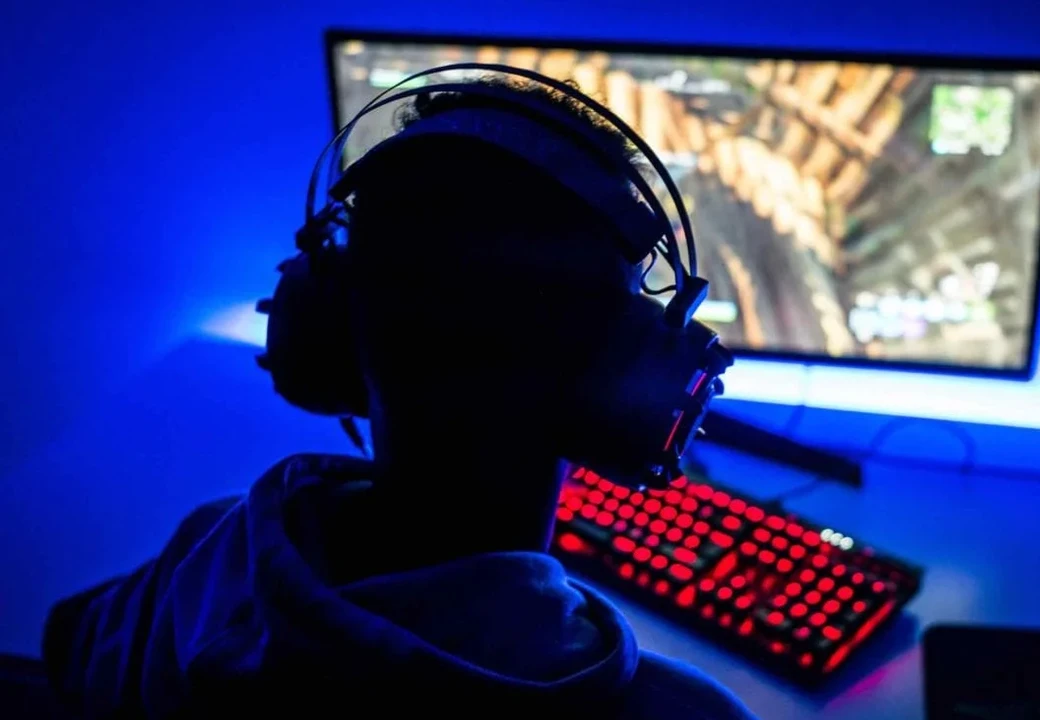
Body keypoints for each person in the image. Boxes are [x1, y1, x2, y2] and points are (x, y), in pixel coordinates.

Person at [41, 76, 758, 718]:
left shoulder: (207, 555)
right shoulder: (674, 710)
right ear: (640, 384)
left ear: (322, 327)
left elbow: (66, 639)